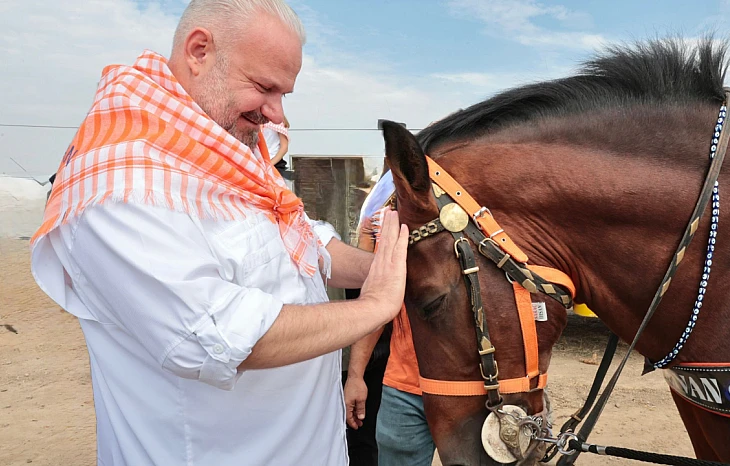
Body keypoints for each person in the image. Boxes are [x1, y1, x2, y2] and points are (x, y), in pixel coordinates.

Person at [28, 1, 408, 465]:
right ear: (199, 51)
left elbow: (306, 240)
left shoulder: (225, 149)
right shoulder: (121, 188)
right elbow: (218, 335)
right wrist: (377, 305)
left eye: (284, 93)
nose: (277, 114)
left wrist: (386, 269)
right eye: (265, 88)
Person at [344, 169, 436, 466]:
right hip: (405, 386)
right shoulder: (399, 228)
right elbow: (378, 304)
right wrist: (356, 375)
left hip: (474, 387)